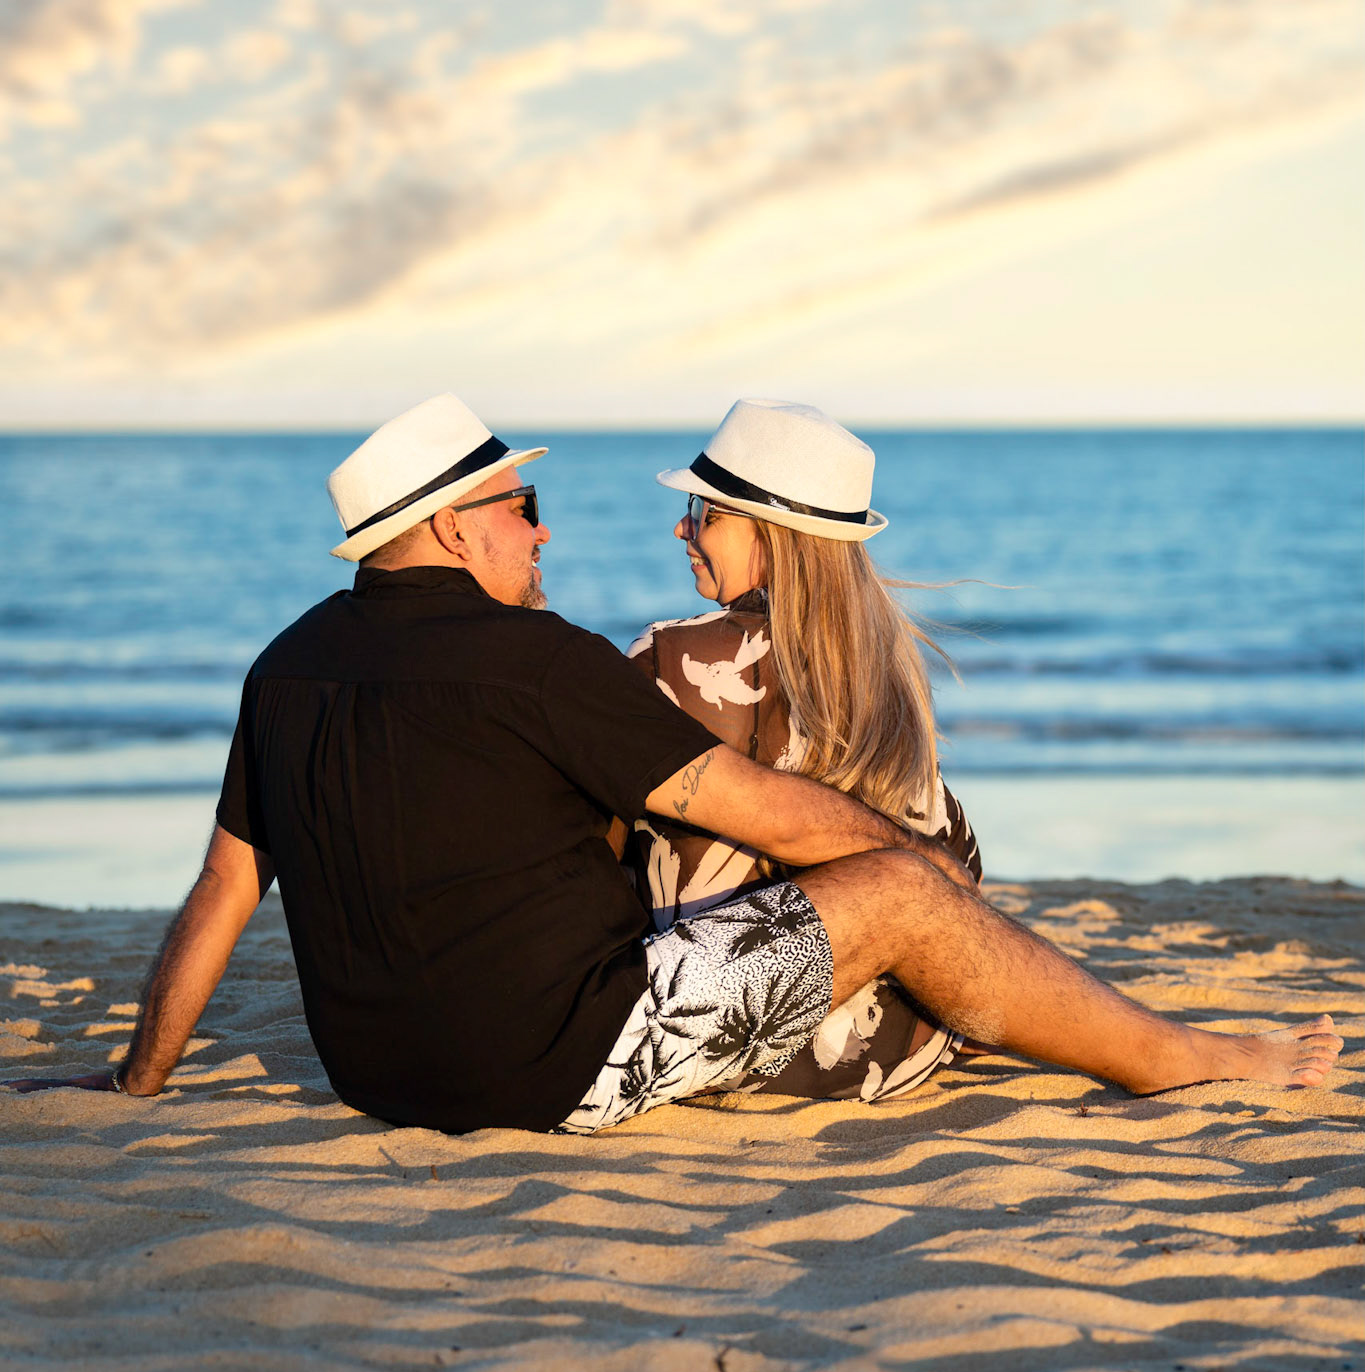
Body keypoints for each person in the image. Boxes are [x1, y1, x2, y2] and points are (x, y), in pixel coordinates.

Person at [12, 394, 1341, 1129]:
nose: (543, 533)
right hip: (559, 1064)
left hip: (375, 1073)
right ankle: (1169, 1053)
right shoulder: (542, 665)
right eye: (520, 508)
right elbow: (763, 811)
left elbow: (220, 897)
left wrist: (138, 1081)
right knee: (908, 891)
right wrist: (923, 883)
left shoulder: (280, 668)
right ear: (458, 531)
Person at [626, 397, 979, 1104]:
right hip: (898, 1043)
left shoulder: (668, 657)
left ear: (773, 535)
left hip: (727, 1042)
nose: (681, 527)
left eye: (705, 513)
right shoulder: (889, 671)